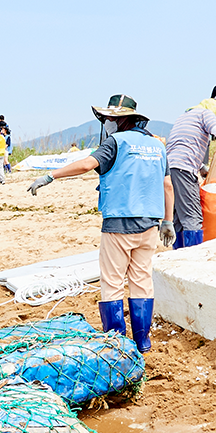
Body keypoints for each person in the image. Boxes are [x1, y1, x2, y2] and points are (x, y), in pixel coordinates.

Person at [27, 94, 175, 353]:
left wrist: (51, 176)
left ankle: (117, 342)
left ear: (120, 120)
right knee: (141, 280)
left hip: (119, 224)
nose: (107, 122)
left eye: (110, 118)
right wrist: (168, 221)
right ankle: (143, 341)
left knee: (113, 282)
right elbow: (167, 186)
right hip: (150, 226)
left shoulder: (116, 142)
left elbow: (86, 165)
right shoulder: (157, 145)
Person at [164, 95, 216, 248]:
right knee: (192, 217)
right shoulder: (207, 113)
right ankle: (193, 260)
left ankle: (179, 255)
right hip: (184, 169)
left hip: (169, 169)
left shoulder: (186, 116)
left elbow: (183, 145)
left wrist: (202, 168)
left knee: (179, 219)